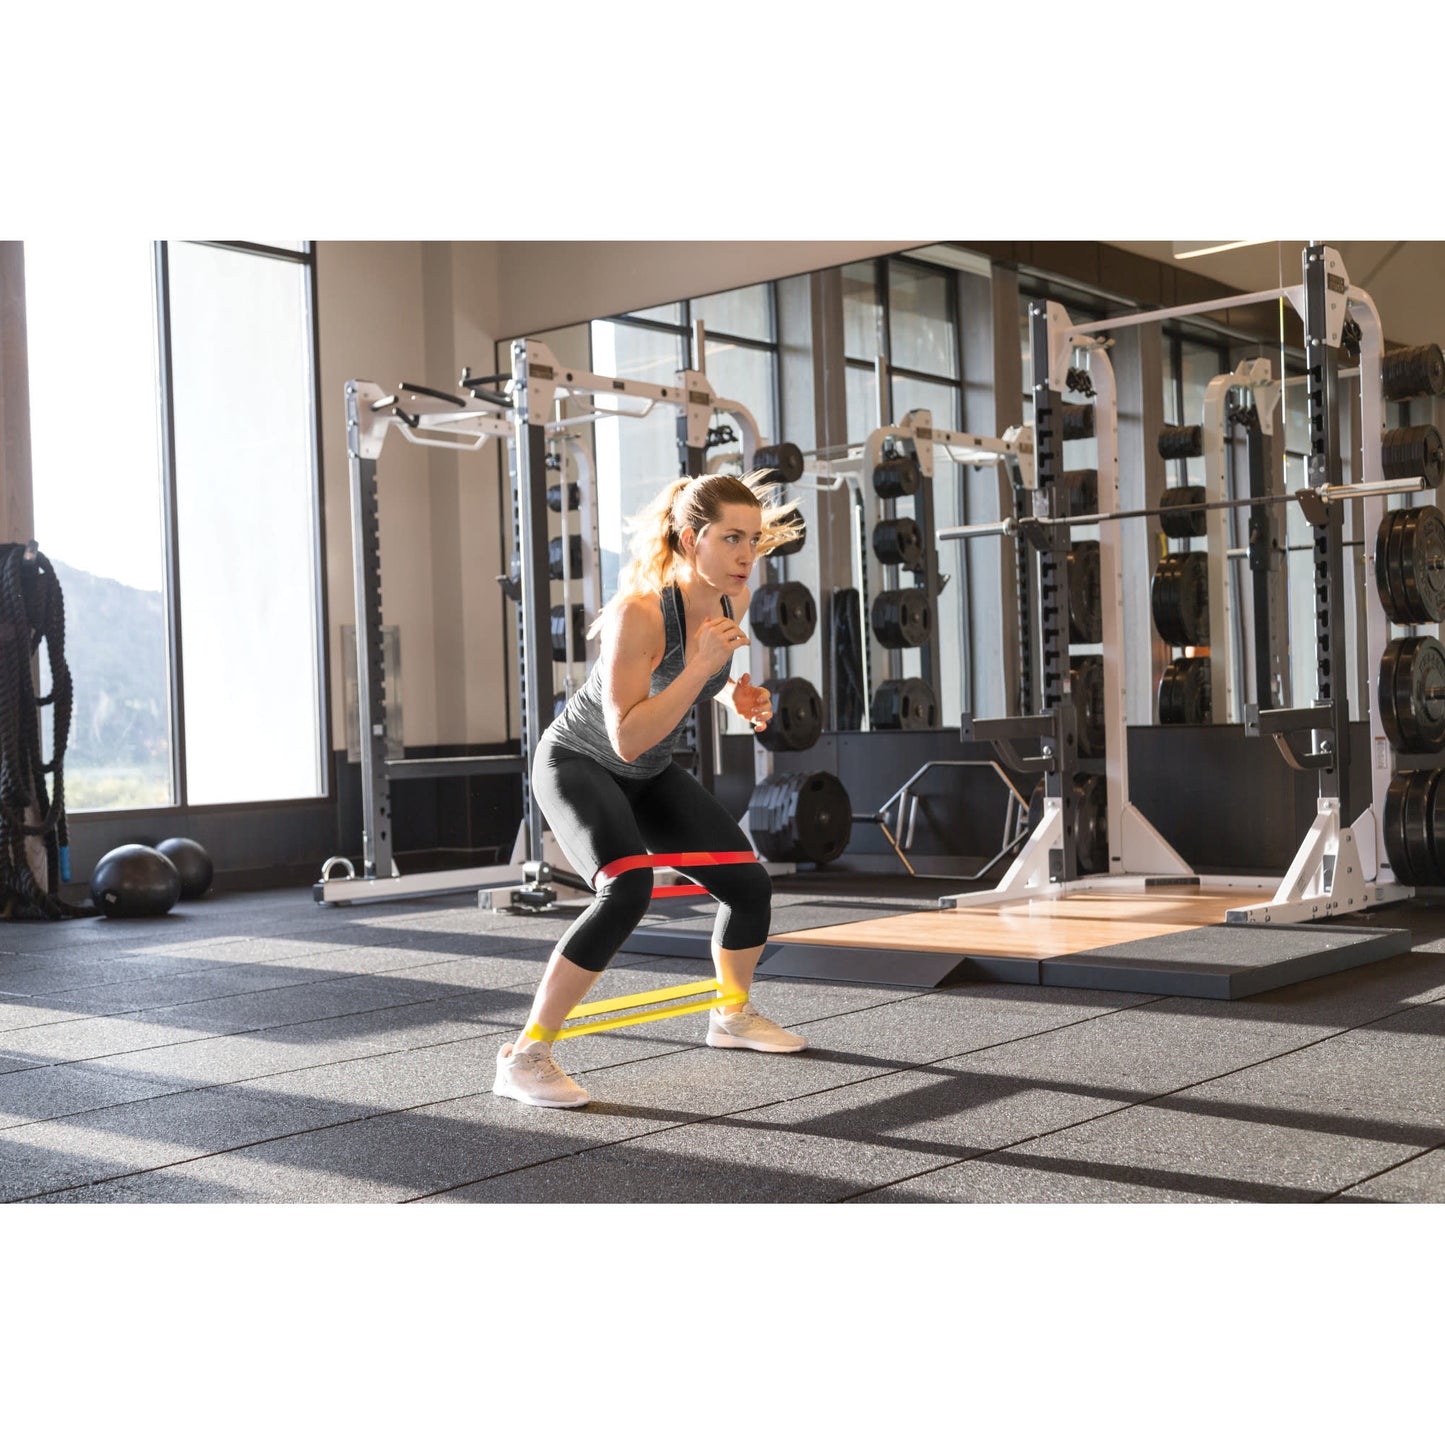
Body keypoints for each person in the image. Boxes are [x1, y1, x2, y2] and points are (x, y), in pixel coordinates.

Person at [494, 470, 808, 1108]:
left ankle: (731, 1015)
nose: (747, 555)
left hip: (648, 770)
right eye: (730, 539)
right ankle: (526, 1055)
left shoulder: (732, 599)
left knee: (748, 885)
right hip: (580, 762)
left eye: (754, 539)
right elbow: (627, 737)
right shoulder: (637, 614)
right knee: (627, 889)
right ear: (692, 540)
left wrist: (734, 694)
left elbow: (700, 680)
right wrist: (700, 669)